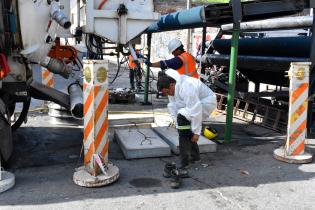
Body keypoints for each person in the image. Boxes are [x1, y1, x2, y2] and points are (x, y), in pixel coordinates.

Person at [157, 70, 217, 169]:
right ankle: (195, 156)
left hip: (206, 103)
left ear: (172, 85)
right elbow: (173, 106)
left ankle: (184, 161)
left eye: (168, 92)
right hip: (194, 104)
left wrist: (197, 132)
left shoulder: (186, 87)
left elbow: (196, 109)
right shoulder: (173, 88)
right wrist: (178, 126)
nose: (169, 95)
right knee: (183, 126)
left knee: (182, 120)